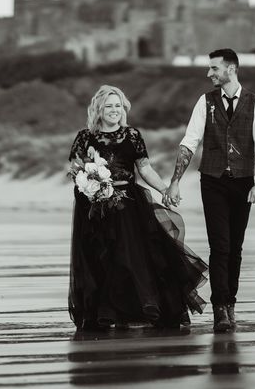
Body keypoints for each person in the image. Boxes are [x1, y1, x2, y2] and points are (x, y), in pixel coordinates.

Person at [68, 85, 208, 331]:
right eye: (109, 106)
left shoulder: (132, 135)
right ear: (99, 109)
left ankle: (134, 310)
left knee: (129, 260)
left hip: (127, 206)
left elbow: (144, 168)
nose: (114, 110)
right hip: (93, 209)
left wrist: (164, 189)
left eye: (118, 106)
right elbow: (75, 169)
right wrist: (90, 183)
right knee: (99, 261)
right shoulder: (84, 137)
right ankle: (104, 313)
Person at [166, 49, 255, 333]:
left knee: (235, 248)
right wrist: (175, 180)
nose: (209, 73)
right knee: (220, 246)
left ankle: (231, 304)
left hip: (242, 182)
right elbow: (189, 142)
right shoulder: (205, 101)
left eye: (214, 68)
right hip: (212, 180)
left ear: (231, 69)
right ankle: (219, 310)